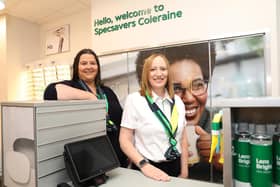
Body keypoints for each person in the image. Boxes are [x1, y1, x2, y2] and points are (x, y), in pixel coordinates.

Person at [135, 44, 223, 183]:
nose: (188, 98)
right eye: (175, 88)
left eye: (198, 84)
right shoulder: (146, 122)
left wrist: (221, 160)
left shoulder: (221, 122)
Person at [43, 48, 128, 168]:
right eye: (83, 63)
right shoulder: (72, 86)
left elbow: (120, 121)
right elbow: (50, 92)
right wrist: (90, 97)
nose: (89, 66)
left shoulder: (107, 91)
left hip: (117, 155)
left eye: (93, 63)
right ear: (76, 67)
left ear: (97, 67)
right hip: (91, 158)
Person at [119, 53, 188, 181]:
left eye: (163, 69)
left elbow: (183, 138)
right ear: (146, 73)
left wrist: (184, 171)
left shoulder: (178, 101)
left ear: (168, 73)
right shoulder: (135, 100)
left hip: (175, 167)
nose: (159, 73)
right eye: (153, 69)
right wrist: (144, 165)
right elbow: (124, 140)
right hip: (146, 168)